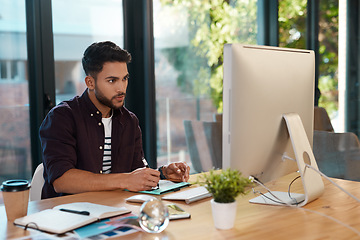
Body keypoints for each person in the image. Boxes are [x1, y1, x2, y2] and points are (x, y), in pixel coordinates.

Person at [39, 41, 190, 199]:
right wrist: (125, 180)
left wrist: (163, 174)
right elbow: (62, 180)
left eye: (124, 78)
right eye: (112, 80)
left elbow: (136, 174)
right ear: (90, 82)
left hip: (114, 211)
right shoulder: (62, 117)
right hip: (66, 216)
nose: (121, 88)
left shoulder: (130, 121)